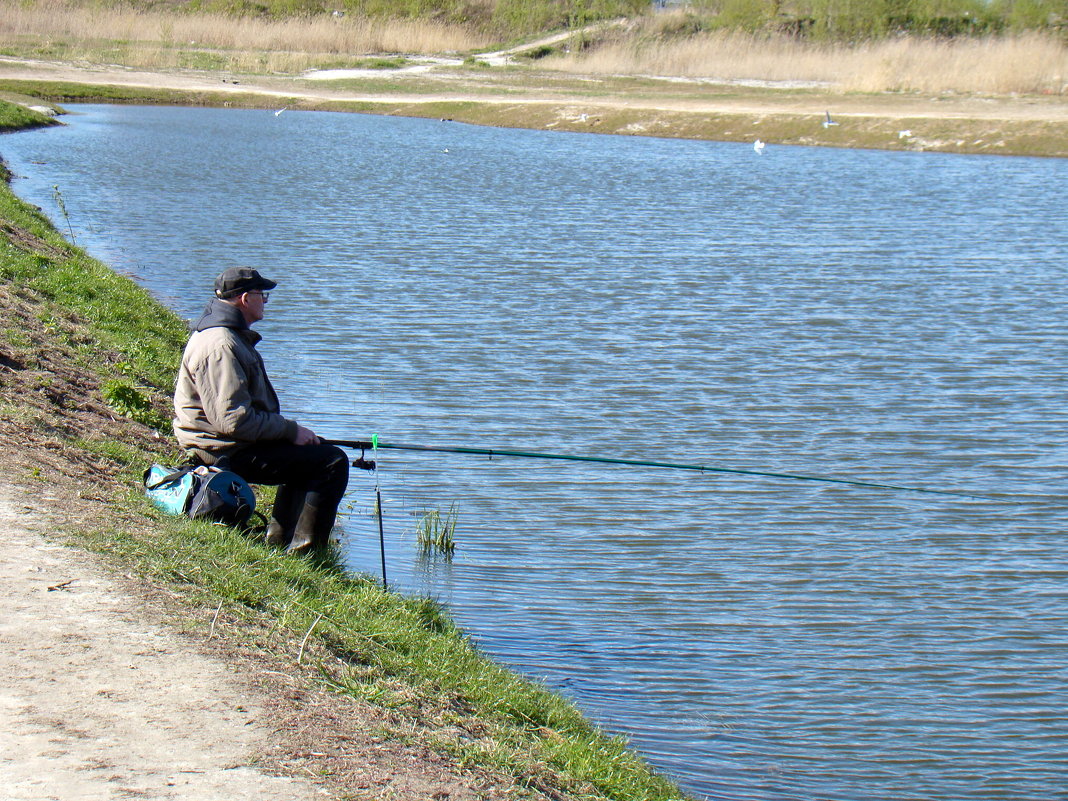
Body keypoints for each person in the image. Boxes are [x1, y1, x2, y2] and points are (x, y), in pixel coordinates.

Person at [172, 267, 349, 554]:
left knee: (311, 455)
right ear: (244, 298)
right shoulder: (221, 345)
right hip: (222, 450)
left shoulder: (226, 334)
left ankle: (279, 543)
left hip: (230, 441)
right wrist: (289, 430)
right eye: (261, 295)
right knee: (330, 462)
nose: (265, 301)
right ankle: (306, 553)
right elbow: (232, 421)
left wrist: (287, 434)